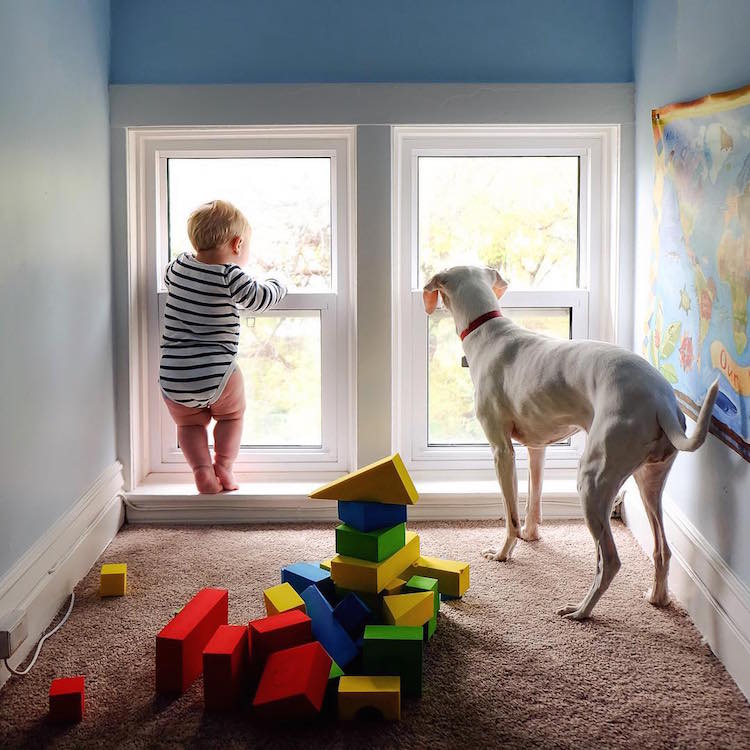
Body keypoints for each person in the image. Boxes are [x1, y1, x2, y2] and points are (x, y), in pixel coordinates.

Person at [159, 199, 286, 493]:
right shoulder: (230, 274)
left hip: (174, 375)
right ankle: (224, 468)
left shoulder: (178, 265)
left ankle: (202, 471)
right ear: (237, 244)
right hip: (217, 372)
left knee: (189, 426)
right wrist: (279, 279)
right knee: (232, 415)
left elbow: (168, 278)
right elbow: (260, 298)